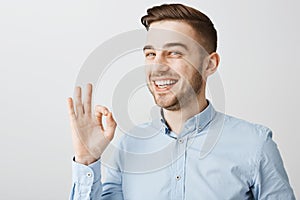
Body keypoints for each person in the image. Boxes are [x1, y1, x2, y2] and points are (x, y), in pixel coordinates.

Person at [67, 3, 295, 200]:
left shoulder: (255, 144)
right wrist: (87, 159)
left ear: (210, 64)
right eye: (150, 54)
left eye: (174, 53)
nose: (157, 66)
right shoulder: (130, 146)